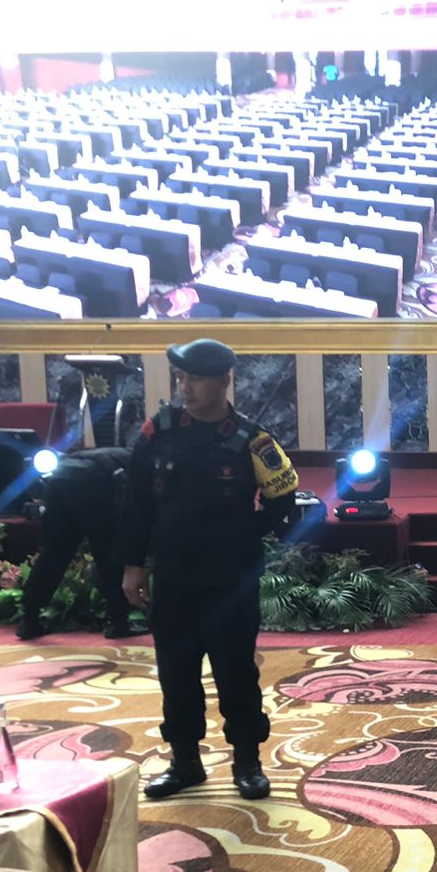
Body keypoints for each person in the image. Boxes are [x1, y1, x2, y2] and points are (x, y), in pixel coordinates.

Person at [119, 339, 299, 802]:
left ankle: (247, 762)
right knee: (175, 672)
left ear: (224, 381)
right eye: (181, 378)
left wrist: (247, 534)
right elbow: (136, 502)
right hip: (174, 576)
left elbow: (284, 499)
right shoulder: (158, 432)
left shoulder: (252, 440)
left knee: (235, 671)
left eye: (196, 379)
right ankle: (185, 762)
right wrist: (133, 565)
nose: (186, 387)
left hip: (230, 579)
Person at [17, 446, 145, 641]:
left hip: (61, 475)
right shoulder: (144, 463)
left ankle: (29, 619)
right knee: (109, 550)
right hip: (92, 481)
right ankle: (118, 622)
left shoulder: (120, 454)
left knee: (54, 552)